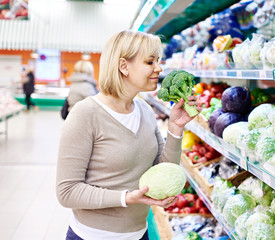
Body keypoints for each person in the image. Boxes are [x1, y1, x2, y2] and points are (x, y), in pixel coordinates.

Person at [56, 30, 201, 240]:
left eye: (158, 61)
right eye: (150, 62)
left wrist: (175, 128)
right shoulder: (85, 114)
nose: (158, 68)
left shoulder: (145, 110)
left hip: (139, 234)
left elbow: (163, 169)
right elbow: (67, 192)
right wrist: (126, 198)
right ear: (124, 66)